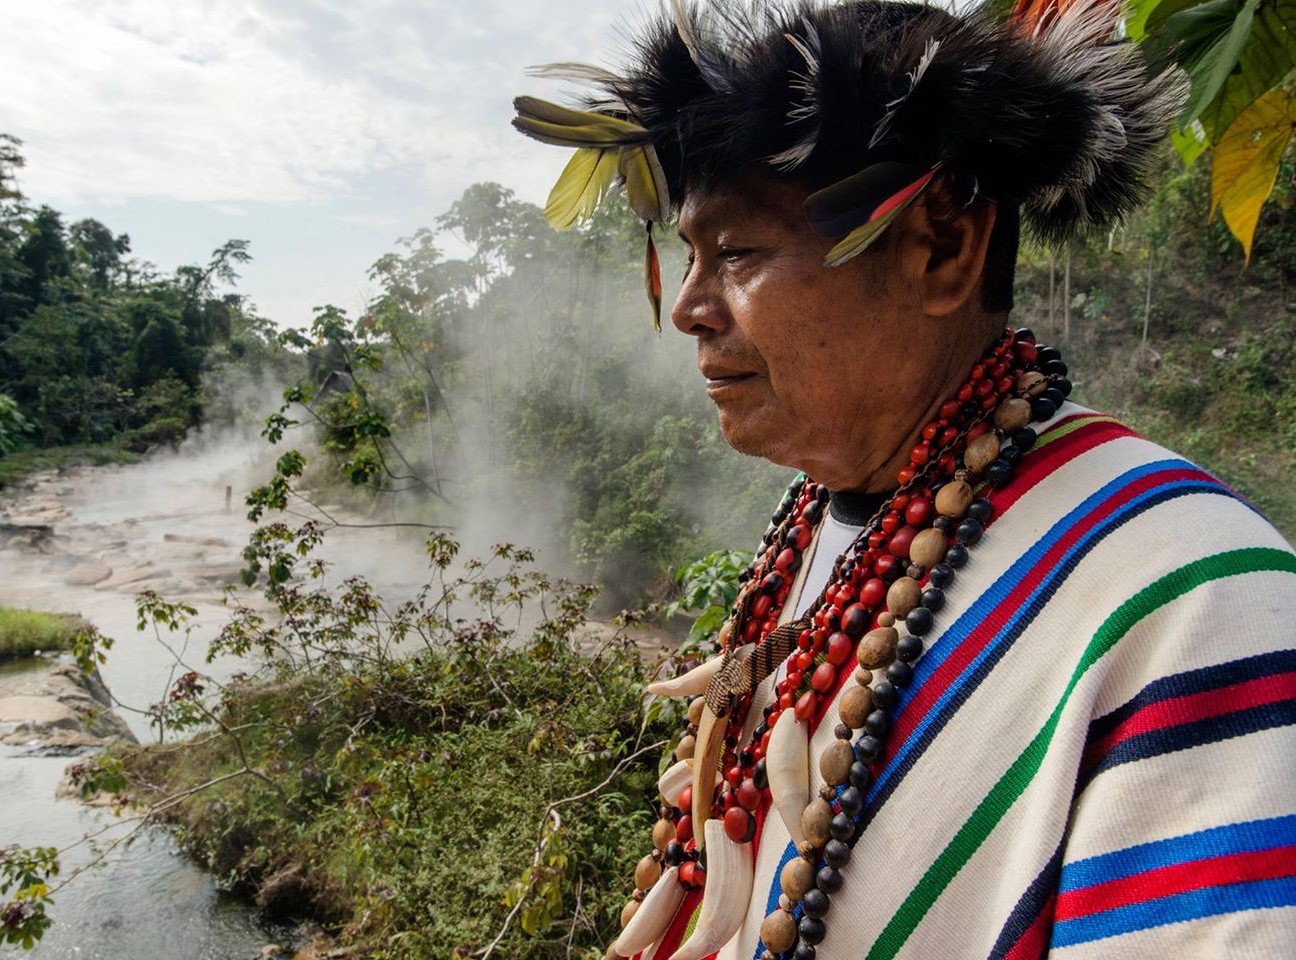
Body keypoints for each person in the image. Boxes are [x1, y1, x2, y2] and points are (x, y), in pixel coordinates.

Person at [513, 1, 1296, 958]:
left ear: (941, 249)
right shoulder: (824, 517)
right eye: (686, 256)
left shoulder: (1198, 595)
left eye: (738, 252)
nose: (687, 308)